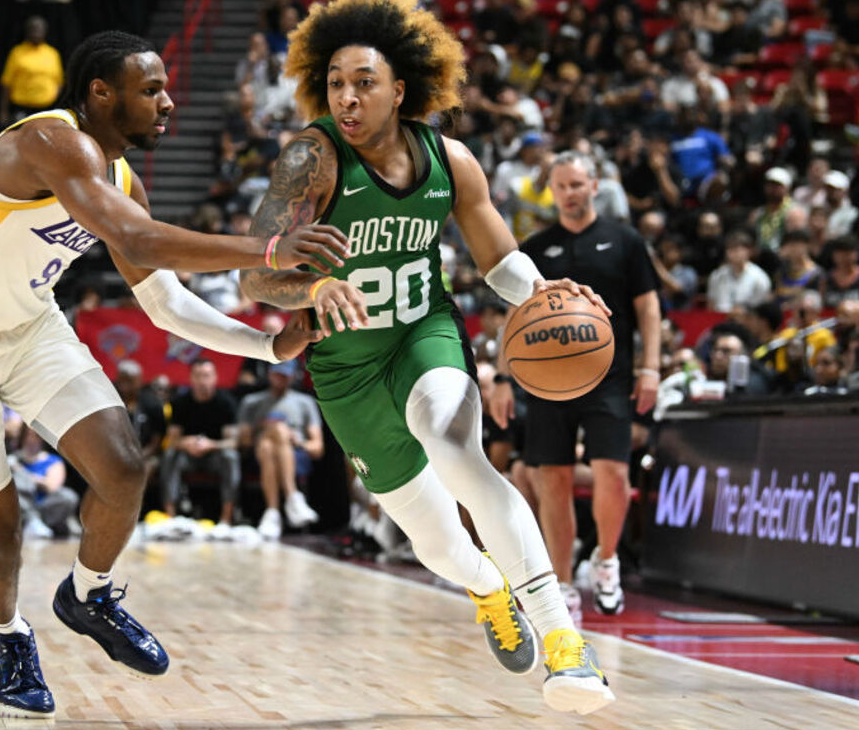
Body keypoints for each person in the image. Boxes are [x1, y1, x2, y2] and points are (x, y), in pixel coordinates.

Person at [0, 29, 347, 717]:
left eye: (166, 88)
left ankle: (88, 593)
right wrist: (270, 248)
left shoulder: (121, 176)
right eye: (152, 90)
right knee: (1, 531)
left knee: (125, 466)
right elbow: (135, 239)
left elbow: (162, 301)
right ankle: (8, 634)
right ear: (102, 93)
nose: (168, 103)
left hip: (29, 327)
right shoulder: (49, 140)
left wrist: (266, 348)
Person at [236, 0, 613, 713]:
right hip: (344, 367)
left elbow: (499, 259)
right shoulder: (308, 159)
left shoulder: (452, 159)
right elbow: (252, 277)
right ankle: (484, 588)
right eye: (337, 82)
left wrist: (538, 293)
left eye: (365, 82)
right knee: (436, 543)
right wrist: (313, 283)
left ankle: (565, 643)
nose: (348, 96)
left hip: (423, 332)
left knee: (453, 443)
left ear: (401, 88)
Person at [507, 151, 662, 622]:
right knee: (550, 479)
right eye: (561, 186)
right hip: (549, 380)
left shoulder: (625, 241)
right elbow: (515, 317)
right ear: (551, 191)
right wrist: (498, 376)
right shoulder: (535, 247)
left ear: (595, 186)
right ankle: (561, 583)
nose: (569, 193)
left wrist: (650, 368)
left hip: (609, 378)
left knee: (613, 472)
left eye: (577, 184)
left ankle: (607, 559)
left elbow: (648, 309)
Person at [237, 360, 323, 538]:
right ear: (269, 374)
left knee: (270, 444)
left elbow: (317, 448)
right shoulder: (252, 402)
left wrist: (297, 440)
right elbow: (244, 441)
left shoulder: (305, 402)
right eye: (277, 374)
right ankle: (292, 496)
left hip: (296, 452)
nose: (280, 379)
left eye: (284, 375)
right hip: (256, 454)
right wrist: (261, 428)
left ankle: (272, 512)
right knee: (273, 435)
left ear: (293, 376)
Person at [159, 359, 240, 529]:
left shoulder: (226, 402)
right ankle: (170, 516)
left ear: (215, 378)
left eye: (207, 376)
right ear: (191, 378)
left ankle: (226, 518)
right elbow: (172, 440)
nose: (202, 381)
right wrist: (186, 443)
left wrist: (211, 444)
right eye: (198, 376)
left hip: (215, 456)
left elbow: (233, 442)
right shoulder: (180, 402)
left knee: (230, 457)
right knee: (169, 455)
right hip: (188, 456)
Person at [0, 16, 64, 126]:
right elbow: (6, 83)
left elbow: (59, 81)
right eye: (33, 29)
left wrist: (55, 100)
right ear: (27, 31)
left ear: (45, 31)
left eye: (39, 29)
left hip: (47, 109)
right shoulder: (17, 52)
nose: (36, 33)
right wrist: (3, 111)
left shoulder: (52, 53)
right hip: (22, 109)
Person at [706, 230, 772, 313]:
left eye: (737, 249)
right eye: (730, 249)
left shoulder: (760, 277)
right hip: (720, 319)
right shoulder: (717, 275)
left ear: (749, 251)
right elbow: (711, 304)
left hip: (748, 320)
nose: (733, 253)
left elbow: (763, 308)